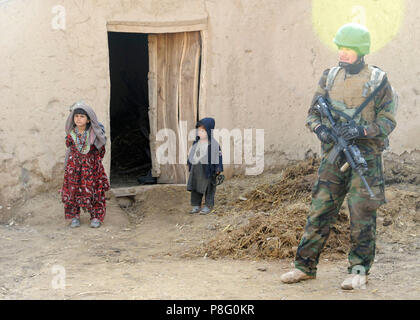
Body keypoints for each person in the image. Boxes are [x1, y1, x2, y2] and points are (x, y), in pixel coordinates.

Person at [281, 23, 397, 289]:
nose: (342, 54)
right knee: (319, 210)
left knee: (362, 214)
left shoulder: (378, 81)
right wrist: (320, 128)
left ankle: (359, 269)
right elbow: (313, 113)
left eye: (349, 49)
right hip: (333, 157)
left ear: (361, 51)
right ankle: (304, 266)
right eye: (340, 48)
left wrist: (362, 130)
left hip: (364, 158)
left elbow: (388, 121)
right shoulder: (329, 76)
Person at [61, 101, 110, 228]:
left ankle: (96, 217)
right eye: (76, 116)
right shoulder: (71, 133)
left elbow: (101, 149)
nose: (78, 119)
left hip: (91, 168)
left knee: (95, 191)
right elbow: (69, 148)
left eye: (82, 116)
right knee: (73, 190)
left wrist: (92, 162)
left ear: (88, 119)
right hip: (74, 168)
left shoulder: (95, 134)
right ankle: (74, 217)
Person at [187, 117, 223, 215]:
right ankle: (196, 205)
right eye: (198, 130)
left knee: (209, 188)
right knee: (196, 187)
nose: (200, 132)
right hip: (197, 170)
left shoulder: (214, 144)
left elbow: (218, 156)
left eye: (203, 130)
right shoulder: (196, 142)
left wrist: (218, 168)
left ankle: (208, 205)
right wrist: (190, 163)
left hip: (208, 171)